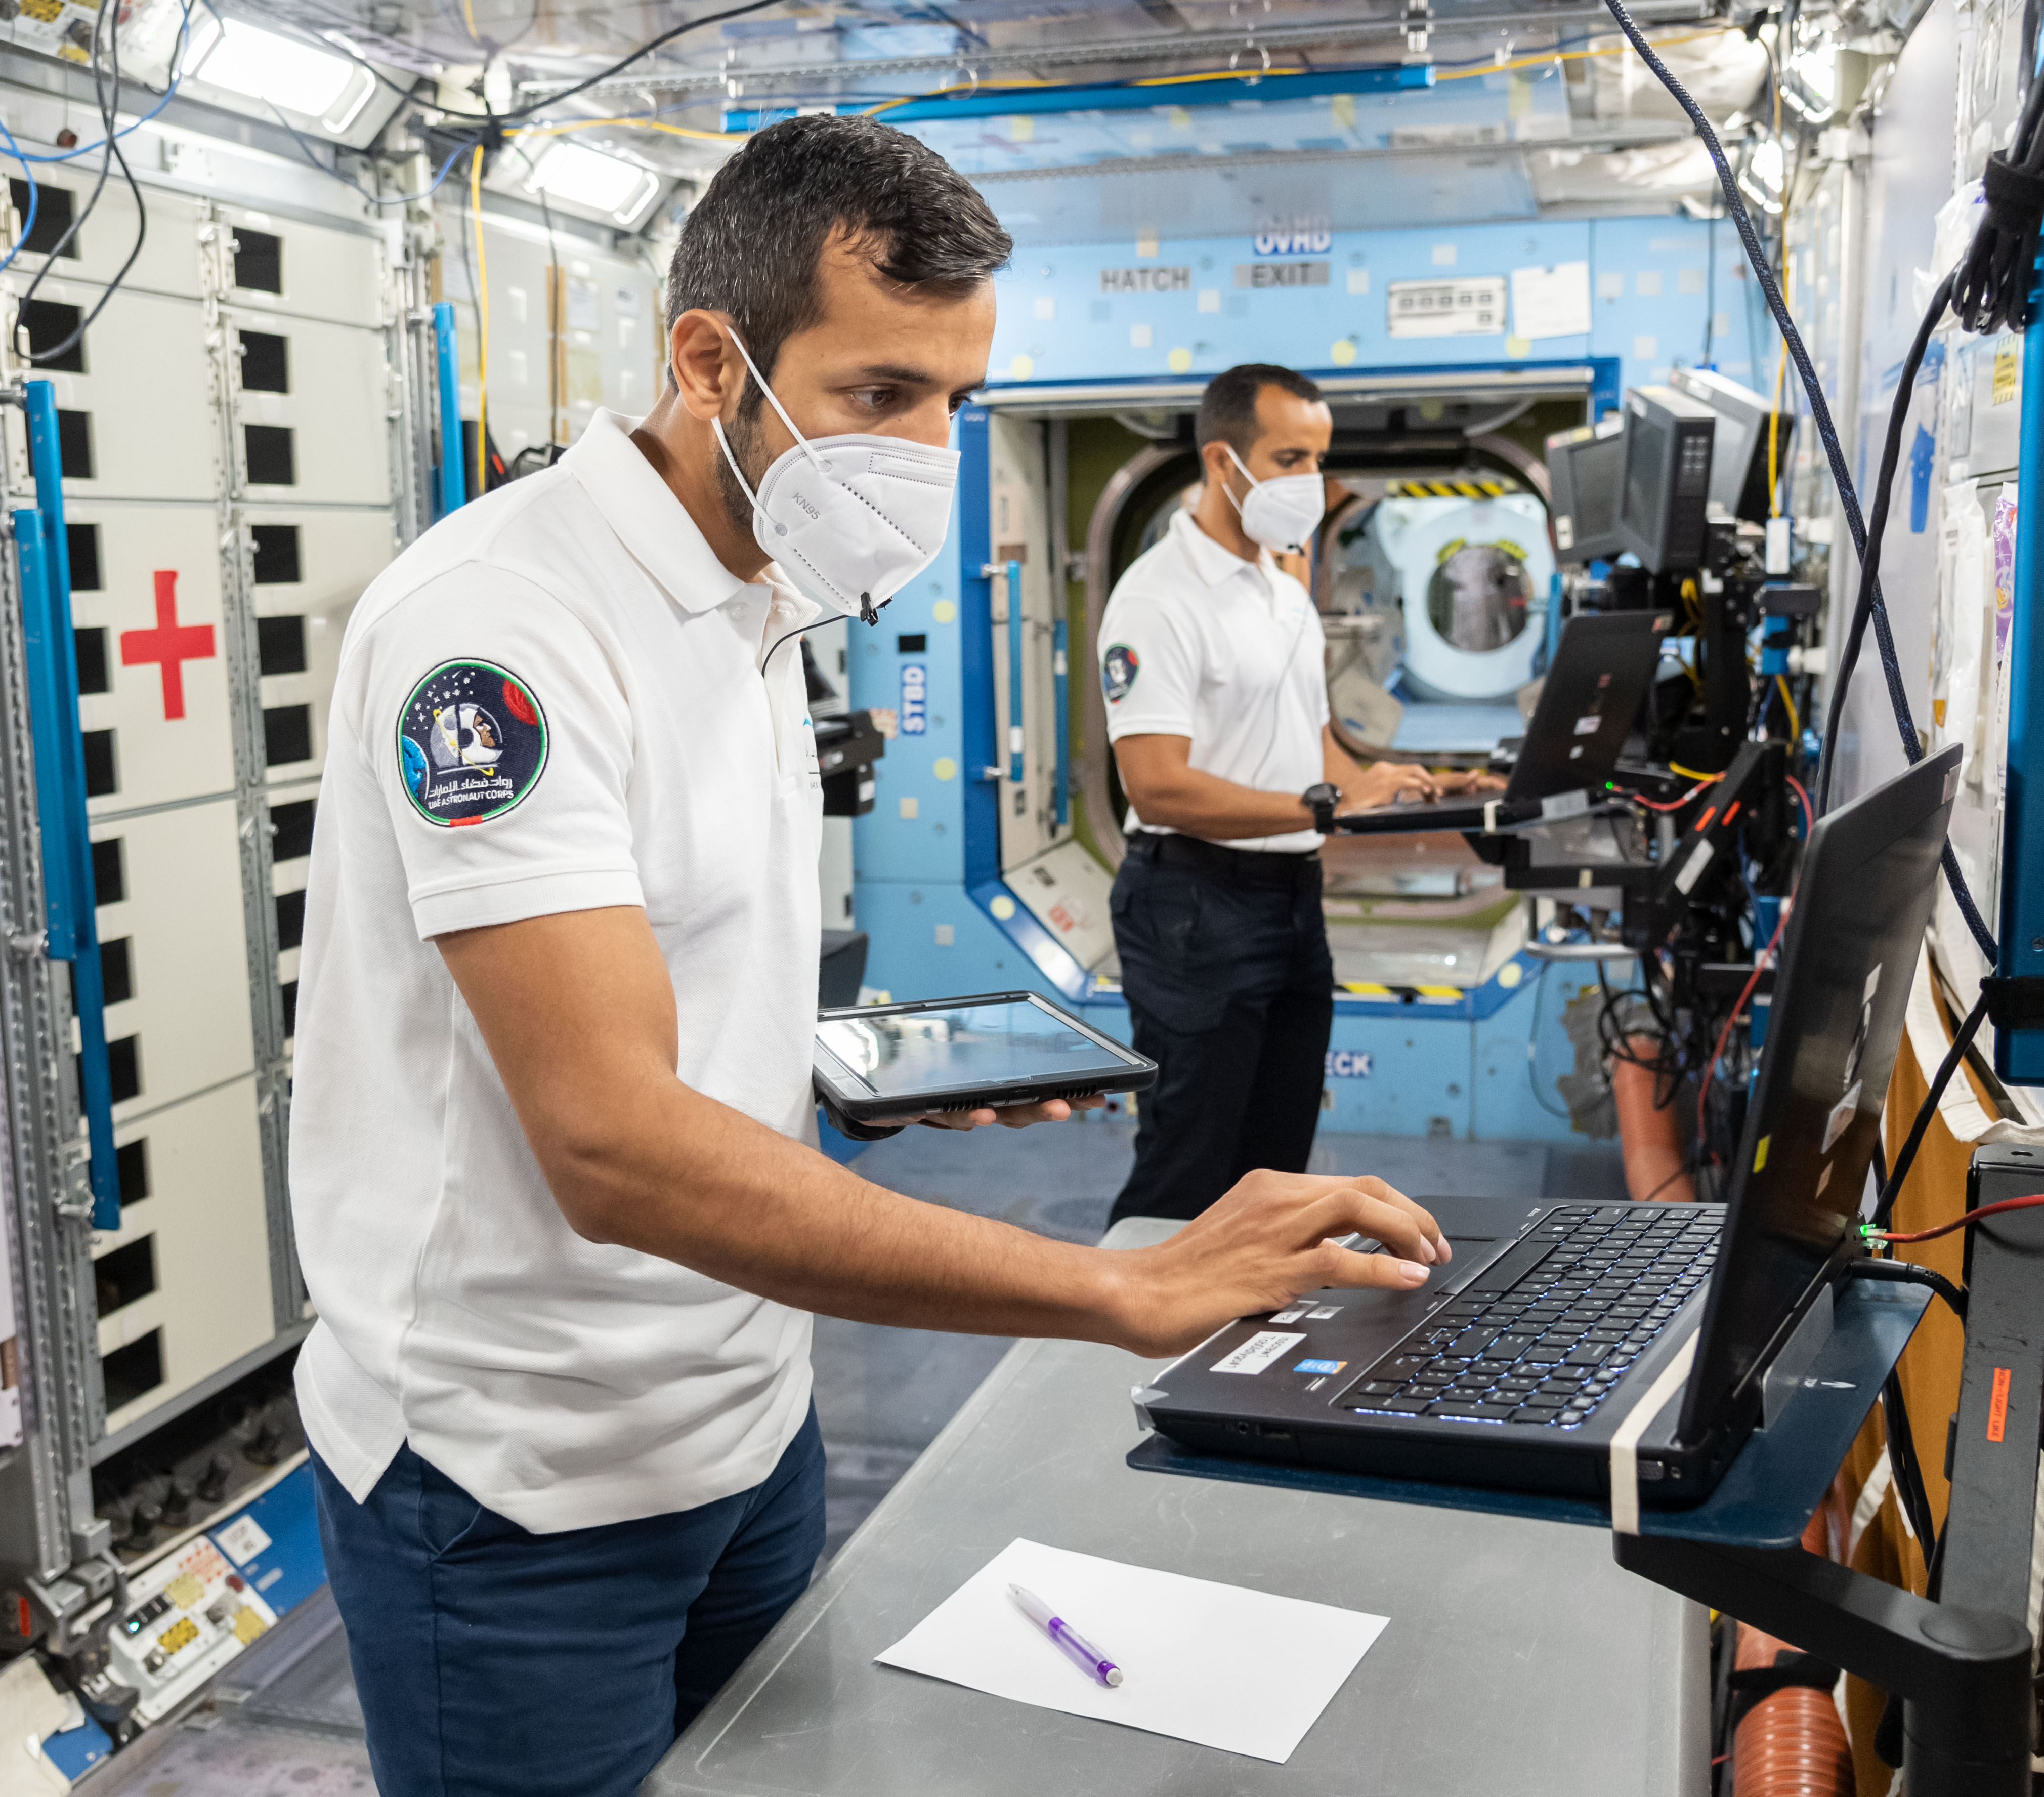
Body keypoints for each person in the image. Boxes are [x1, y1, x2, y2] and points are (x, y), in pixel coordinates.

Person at [287, 120, 1453, 1797]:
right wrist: (1108, 1286)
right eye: (880, 394)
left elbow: (682, 975)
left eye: (959, 401)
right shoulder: (498, 634)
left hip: (746, 1419)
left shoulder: (760, 596)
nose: (929, 448)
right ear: (710, 358)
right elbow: (609, 1139)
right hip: (515, 1479)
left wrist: (847, 1074)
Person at [1098, 363, 1494, 1226]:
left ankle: (1235, 1346)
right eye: (1286, 457)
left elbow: (1315, 753)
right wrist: (1325, 811)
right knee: (1186, 1167)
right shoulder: (1157, 600)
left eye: (1317, 459)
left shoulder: (1284, 596)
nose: (1306, 482)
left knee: (1273, 1165)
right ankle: (1126, 1343)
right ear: (1221, 462)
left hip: (1288, 902)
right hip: (1193, 904)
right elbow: (1156, 786)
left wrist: (1426, 787)